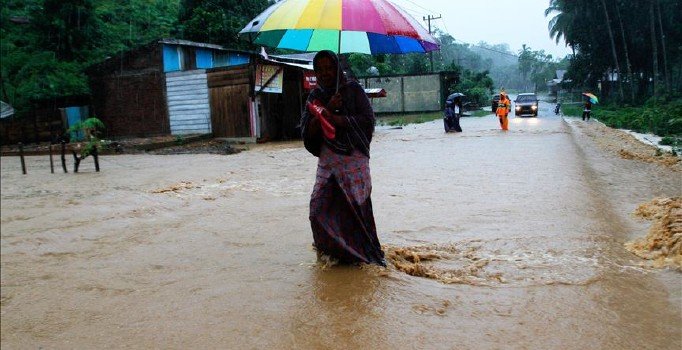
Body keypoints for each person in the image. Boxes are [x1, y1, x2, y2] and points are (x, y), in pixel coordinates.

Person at [299, 50, 385, 266]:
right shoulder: (315, 97)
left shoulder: (353, 90)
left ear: (337, 69)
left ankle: (365, 258)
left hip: (353, 161)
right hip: (328, 163)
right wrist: (325, 110)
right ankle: (332, 256)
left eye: (329, 68)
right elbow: (306, 131)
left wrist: (336, 118)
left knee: (356, 212)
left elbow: (367, 121)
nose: (325, 73)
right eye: (320, 70)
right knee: (317, 211)